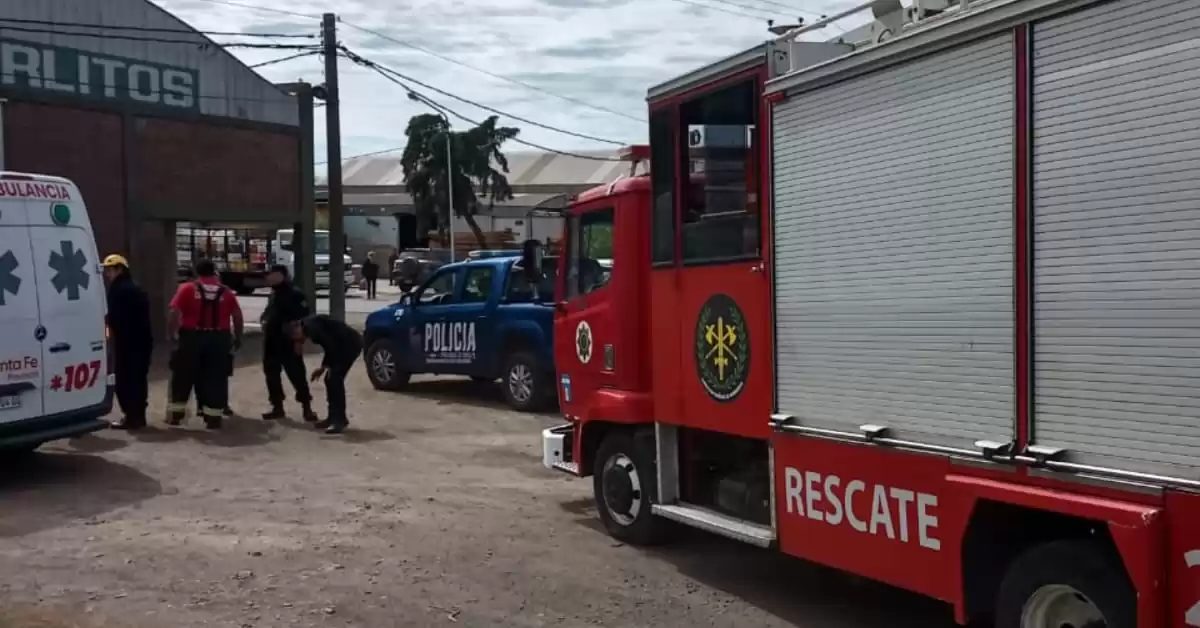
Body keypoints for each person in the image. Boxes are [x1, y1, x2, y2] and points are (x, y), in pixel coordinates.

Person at [166, 260, 244, 429]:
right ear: (214, 271)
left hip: (191, 337)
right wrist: (238, 338)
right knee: (215, 378)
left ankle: (175, 415)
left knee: (182, 376)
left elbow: (174, 312)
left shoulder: (187, 288)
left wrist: (172, 334)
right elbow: (237, 317)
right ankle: (213, 418)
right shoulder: (227, 292)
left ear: (197, 272)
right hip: (219, 338)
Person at [102, 254, 153, 430]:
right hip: (142, 341)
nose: (107, 274)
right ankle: (138, 417)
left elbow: (113, 318)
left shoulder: (118, 290)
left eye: (110, 270)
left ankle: (132, 417)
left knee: (124, 380)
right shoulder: (136, 288)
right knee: (138, 380)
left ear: (120, 269)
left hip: (128, 343)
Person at [260, 265, 316, 421]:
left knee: (297, 375)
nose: (269, 277)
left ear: (282, 275)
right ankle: (277, 407)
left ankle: (307, 408)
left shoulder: (295, 294)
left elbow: (303, 320)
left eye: (272, 275)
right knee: (271, 374)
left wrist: (299, 341)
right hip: (271, 341)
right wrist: (264, 320)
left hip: (288, 341)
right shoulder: (274, 294)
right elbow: (269, 313)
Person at [289, 314, 362, 434]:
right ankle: (332, 417)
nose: (300, 342)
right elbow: (330, 345)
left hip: (350, 345)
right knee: (330, 380)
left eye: (298, 338)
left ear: (298, 327)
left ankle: (339, 420)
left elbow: (330, 345)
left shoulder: (312, 329)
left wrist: (323, 367)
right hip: (341, 345)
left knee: (335, 379)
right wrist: (324, 367)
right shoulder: (307, 327)